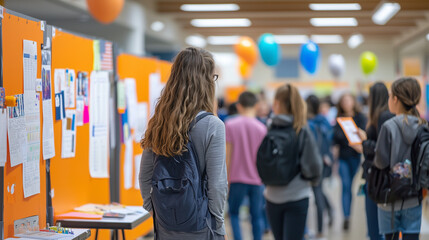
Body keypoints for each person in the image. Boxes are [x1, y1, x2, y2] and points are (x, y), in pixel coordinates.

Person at [139, 47, 228, 240]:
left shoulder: (159, 122)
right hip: (201, 227)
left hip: (165, 227)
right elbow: (217, 185)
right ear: (206, 81)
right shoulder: (213, 125)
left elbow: (145, 177)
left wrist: (156, 212)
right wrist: (218, 225)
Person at [264, 84, 322, 240]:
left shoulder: (269, 127)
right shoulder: (302, 128)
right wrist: (314, 180)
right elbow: (314, 164)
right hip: (297, 195)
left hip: (272, 195)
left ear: (276, 103)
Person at [374, 77, 426, 240]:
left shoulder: (388, 127)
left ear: (395, 99)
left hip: (390, 198)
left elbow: (380, 162)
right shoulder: (423, 126)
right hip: (414, 196)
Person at [225, 91, 267, 240]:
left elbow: (227, 156)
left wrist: (227, 180)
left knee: (234, 214)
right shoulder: (262, 128)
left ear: (239, 106)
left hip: (236, 178)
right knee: (256, 216)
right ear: (256, 105)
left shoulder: (230, 124)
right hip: (257, 179)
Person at [332, 93, 367, 230]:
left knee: (350, 186)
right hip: (342, 157)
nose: (346, 103)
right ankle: (346, 216)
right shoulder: (338, 119)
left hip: (355, 156)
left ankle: (348, 214)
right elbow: (335, 137)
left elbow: (364, 136)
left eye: (348, 100)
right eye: (344, 100)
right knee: (345, 185)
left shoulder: (360, 118)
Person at [306, 95, 334, 238]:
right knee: (318, 191)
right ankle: (330, 210)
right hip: (320, 162)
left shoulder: (312, 123)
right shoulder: (323, 122)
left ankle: (320, 229)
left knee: (317, 193)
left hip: (316, 163)